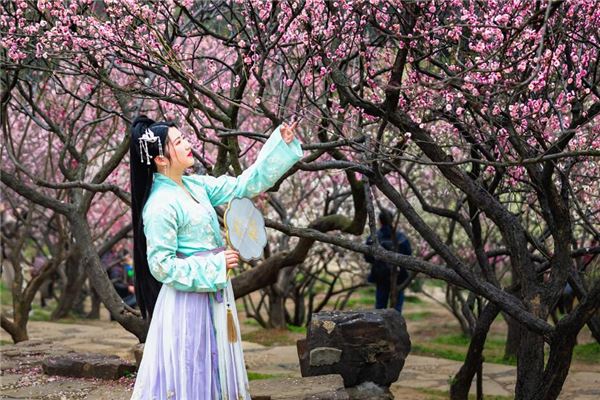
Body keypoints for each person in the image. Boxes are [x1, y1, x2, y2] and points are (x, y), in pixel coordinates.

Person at [129, 115, 302, 400]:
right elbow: (161, 266)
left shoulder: (195, 186)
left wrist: (279, 145)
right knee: (194, 366)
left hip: (214, 291)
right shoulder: (160, 204)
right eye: (178, 142)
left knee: (215, 365)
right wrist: (215, 264)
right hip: (187, 303)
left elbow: (243, 185)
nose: (188, 144)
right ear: (160, 159)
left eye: (184, 138)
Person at [364, 209, 412, 313]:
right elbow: (408, 256)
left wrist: (378, 262)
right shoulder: (402, 238)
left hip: (380, 276)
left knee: (380, 308)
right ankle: (396, 323)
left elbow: (367, 257)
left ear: (379, 221)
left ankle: (381, 323)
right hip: (399, 277)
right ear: (393, 220)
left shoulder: (373, 238)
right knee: (397, 309)